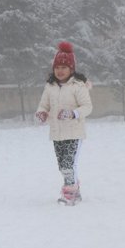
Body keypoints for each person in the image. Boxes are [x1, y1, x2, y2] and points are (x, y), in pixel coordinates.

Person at [35, 41, 92, 206]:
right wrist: (42, 112)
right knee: (62, 166)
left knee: (69, 165)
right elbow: (44, 104)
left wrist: (73, 113)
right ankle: (76, 190)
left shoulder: (78, 86)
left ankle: (70, 194)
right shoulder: (50, 86)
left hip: (74, 132)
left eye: (64, 67)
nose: (60, 71)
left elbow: (87, 107)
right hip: (57, 133)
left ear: (71, 69)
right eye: (57, 67)